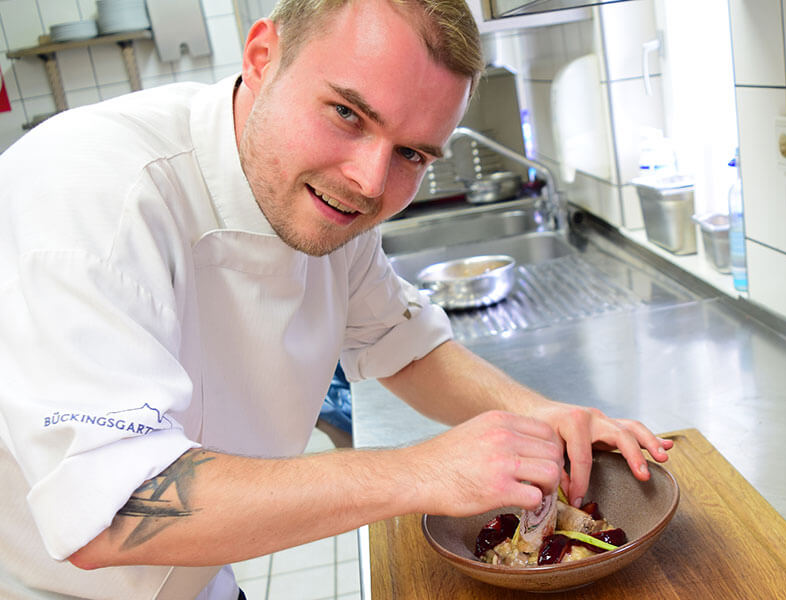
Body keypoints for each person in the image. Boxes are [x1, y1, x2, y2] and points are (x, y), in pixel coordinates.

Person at [0, 0, 673, 598]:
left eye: (412, 153)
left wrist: (547, 417)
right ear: (263, 57)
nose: (368, 181)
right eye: (347, 114)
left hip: (199, 578)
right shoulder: (88, 193)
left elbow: (400, 343)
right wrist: (421, 472)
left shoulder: (328, 200)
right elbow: (116, 513)